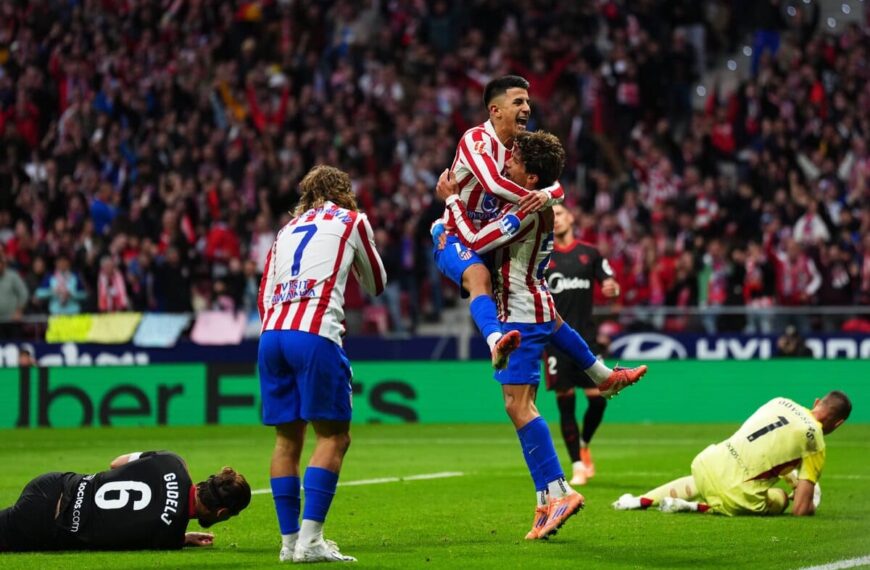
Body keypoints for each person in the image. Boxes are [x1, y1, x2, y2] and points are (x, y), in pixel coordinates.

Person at [436, 131, 647, 540]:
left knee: (518, 406)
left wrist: (451, 201)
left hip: (519, 313)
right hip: (536, 301)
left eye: (514, 161)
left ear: (531, 177)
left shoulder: (525, 211)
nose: (506, 164)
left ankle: (560, 491)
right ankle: (546, 496)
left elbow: (476, 240)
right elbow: (553, 189)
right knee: (531, 390)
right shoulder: (539, 199)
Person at [258, 165, 387, 563]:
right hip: (314, 334)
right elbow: (377, 283)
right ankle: (311, 542)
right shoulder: (352, 220)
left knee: (286, 440)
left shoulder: (285, 231)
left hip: (271, 336)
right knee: (333, 437)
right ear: (344, 192)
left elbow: (264, 295)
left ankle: (289, 543)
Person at [431, 75, 563, 369]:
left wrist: (547, 194)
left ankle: (598, 373)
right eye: (518, 102)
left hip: (493, 238)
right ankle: (495, 344)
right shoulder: (477, 140)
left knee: (540, 301)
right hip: (455, 235)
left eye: (527, 101)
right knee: (480, 278)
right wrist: (540, 198)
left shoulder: (520, 145)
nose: (527, 108)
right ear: (495, 110)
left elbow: (553, 181)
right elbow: (493, 183)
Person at [612, 391, 852, 516]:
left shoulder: (780, 402)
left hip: (707, 463)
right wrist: (809, 500)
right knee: (778, 497)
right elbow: (800, 510)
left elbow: (769, 449)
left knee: (701, 481)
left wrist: (794, 479)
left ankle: (637, 501)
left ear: (817, 402)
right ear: (838, 423)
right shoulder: (816, 441)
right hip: (736, 494)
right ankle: (694, 507)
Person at [0, 451, 250, 551]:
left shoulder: (173, 461)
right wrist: (181, 537)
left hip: (54, 484)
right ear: (222, 513)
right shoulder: (169, 537)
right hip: (49, 524)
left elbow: (116, 463)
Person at [544, 203, 621, 486]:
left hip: (586, 340)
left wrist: (613, 288)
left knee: (598, 400)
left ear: (571, 218)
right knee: (566, 404)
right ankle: (577, 465)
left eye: (560, 214)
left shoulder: (590, 253)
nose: (555, 219)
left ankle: (584, 443)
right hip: (554, 341)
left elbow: (611, 283)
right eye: (551, 216)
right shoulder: (543, 257)